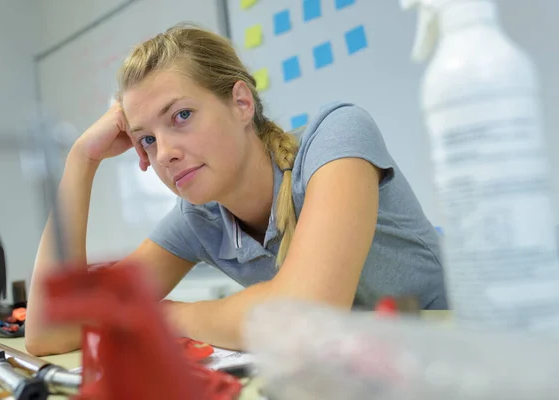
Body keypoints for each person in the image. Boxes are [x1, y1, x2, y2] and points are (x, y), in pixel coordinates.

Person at [25, 24, 447, 356]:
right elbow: (52, 332)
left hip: (468, 359)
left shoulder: (335, 138)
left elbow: (308, 315)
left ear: (242, 103)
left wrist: (165, 316)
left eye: (182, 115)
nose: (164, 153)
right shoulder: (199, 218)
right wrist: (81, 161)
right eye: (147, 140)